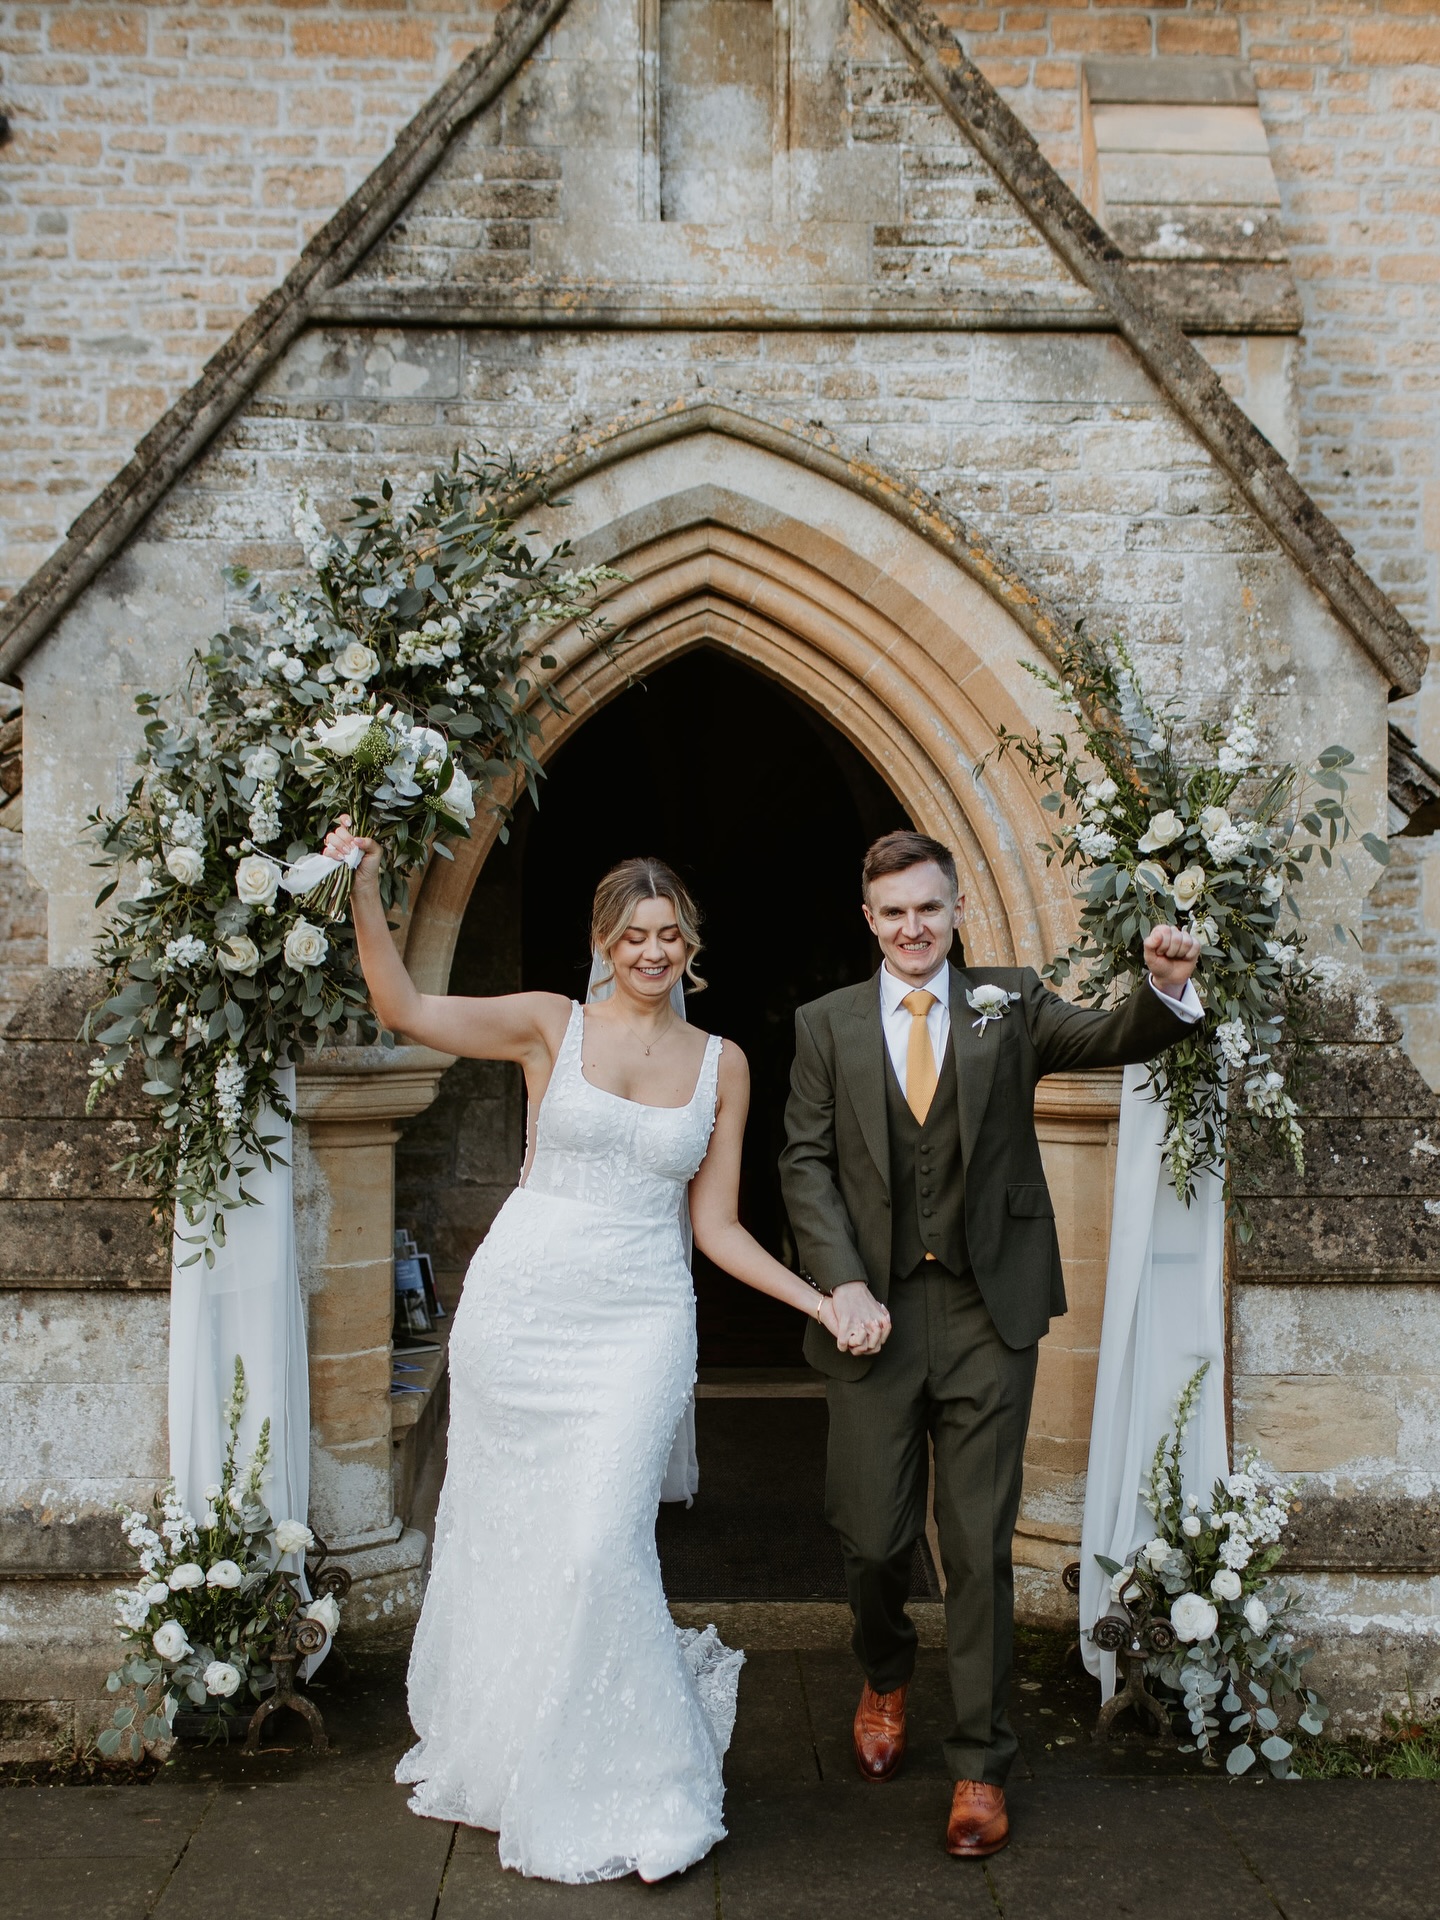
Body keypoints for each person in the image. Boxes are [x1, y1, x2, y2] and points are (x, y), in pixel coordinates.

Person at [324, 826, 882, 1884]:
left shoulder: (724, 1064)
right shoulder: (551, 1025)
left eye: (669, 934)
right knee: (520, 1538)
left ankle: (643, 1783)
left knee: (598, 1543)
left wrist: (820, 1299)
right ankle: (523, 1746)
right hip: (523, 1309)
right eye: (634, 936)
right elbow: (404, 1010)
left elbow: (716, 1227)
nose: (652, 952)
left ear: (692, 943)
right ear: (603, 944)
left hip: (641, 1320)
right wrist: (364, 888)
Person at [779, 829, 1202, 1859]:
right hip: (872, 1313)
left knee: (976, 1544)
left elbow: (1111, 1037)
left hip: (987, 1311)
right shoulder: (825, 1024)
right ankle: (885, 1674)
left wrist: (1164, 988)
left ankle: (981, 1763)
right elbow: (804, 1162)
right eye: (893, 912)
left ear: (956, 909)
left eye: (928, 907)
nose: (912, 928)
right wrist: (839, 1280)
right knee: (872, 1538)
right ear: (869, 919)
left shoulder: (1008, 1002)